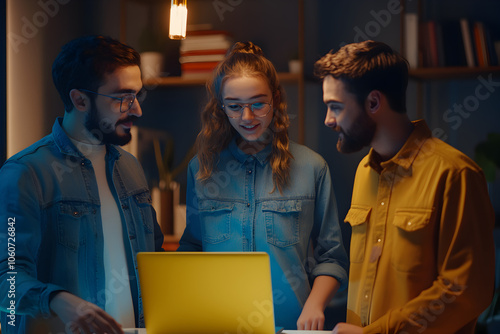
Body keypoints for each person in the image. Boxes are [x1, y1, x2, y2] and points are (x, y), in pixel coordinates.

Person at [314, 40, 495, 334]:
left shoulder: (455, 174)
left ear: (373, 102)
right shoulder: (364, 171)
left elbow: (465, 289)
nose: (328, 120)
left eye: (335, 107)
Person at [178, 41, 349, 330]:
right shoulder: (201, 168)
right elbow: (192, 248)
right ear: (221, 107)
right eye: (234, 106)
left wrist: (315, 305)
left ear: (276, 99)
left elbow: (331, 258)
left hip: (290, 325)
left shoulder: (312, 167)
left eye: (258, 103)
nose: (247, 117)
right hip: (217, 325)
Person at [0, 35, 164, 334]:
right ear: (80, 99)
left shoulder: (131, 168)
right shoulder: (25, 173)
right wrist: (60, 301)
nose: (137, 109)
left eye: (137, 95)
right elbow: (6, 280)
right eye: (123, 98)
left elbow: (156, 262)